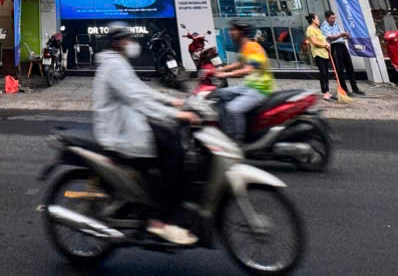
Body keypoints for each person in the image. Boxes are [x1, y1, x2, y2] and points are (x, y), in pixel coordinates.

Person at [93, 25, 200, 246]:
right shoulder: (114, 66)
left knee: (170, 138)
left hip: (129, 124)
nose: (132, 43)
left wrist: (172, 100)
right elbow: (137, 99)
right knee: (172, 155)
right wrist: (177, 114)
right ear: (117, 43)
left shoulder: (119, 63)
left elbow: (141, 90)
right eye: (127, 39)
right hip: (120, 133)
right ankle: (158, 220)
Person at [211, 21, 275, 143]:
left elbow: (248, 69)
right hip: (249, 87)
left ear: (241, 32)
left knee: (233, 109)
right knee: (219, 94)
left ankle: (237, 141)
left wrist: (225, 74)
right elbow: (239, 63)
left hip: (260, 90)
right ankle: (225, 130)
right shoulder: (244, 47)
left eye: (233, 30)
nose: (230, 33)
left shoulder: (253, 47)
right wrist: (219, 69)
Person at [322, 10, 364, 96]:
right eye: (331, 18)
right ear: (326, 18)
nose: (333, 20)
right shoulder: (324, 26)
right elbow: (330, 38)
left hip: (342, 45)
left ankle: (355, 88)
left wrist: (346, 35)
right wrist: (341, 35)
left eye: (334, 18)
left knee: (350, 67)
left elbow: (341, 34)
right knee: (339, 69)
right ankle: (344, 89)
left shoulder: (336, 24)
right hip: (334, 47)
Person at [304, 14, 332, 100]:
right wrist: (325, 45)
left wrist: (327, 45)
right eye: (317, 18)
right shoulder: (310, 29)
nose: (319, 20)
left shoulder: (318, 29)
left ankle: (327, 91)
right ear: (313, 20)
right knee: (323, 73)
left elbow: (323, 40)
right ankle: (325, 92)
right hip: (318, 53)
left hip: (325, 53)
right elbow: (315, 42)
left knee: (326, 73)